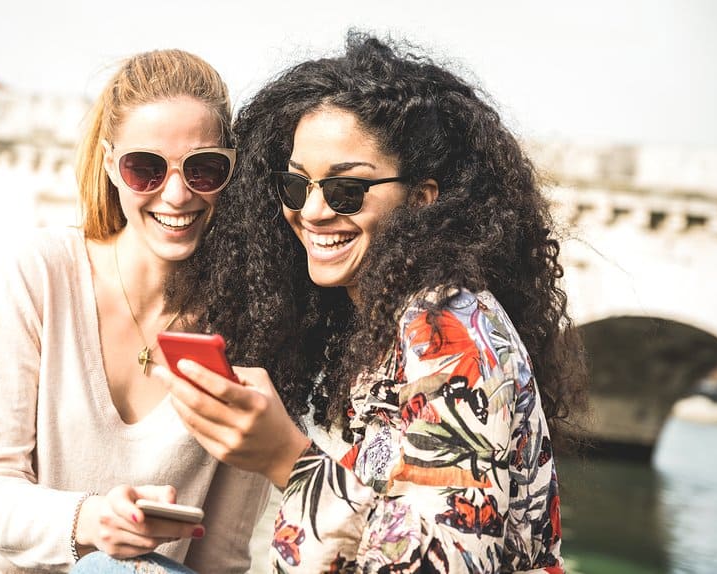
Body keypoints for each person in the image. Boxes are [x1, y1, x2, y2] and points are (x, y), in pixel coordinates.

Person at [156, 32, 588, 573]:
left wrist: (286, 459)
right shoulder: (384, 325)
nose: (311, 212)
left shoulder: (449, 333)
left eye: (346, 191)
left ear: (421, 200)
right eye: (295, 186)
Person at [0, 49, 270, 574]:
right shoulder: (36, 272)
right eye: (146, 169)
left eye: (205, 168)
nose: (178, 194)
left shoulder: (255, 327)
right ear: (113, 165)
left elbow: (220, 558)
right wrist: (92, 520)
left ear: (231, 171)